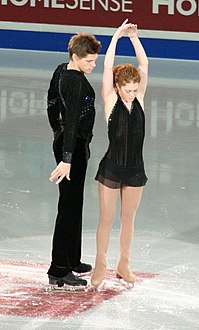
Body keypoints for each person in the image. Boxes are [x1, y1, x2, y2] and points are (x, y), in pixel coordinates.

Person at [91, 19, 148, 287]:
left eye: (135, 90)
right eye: (128, 90)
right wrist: (115, 37)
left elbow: (144, 66)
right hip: (112, 168)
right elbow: (106, 67)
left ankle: (123, 263)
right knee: (107, 218)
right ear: (117, 87)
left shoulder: (139, 99)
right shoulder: (110, 99)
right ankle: (100, 263)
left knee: (129, 220)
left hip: (136, 169)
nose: (132, 94)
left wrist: (134, 38)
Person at [47, 32, 102, 287]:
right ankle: (59, 269)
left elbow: (51, 104)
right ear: (75, 57)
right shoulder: (77, 82)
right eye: (89, 61)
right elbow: (71, 122)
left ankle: (73, 259)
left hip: (66, 143)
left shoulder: (60, 70)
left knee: (74, 202)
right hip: (73, 149)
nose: (93, 66)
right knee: (68, 207)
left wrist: (56, 134)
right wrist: (67, 157)